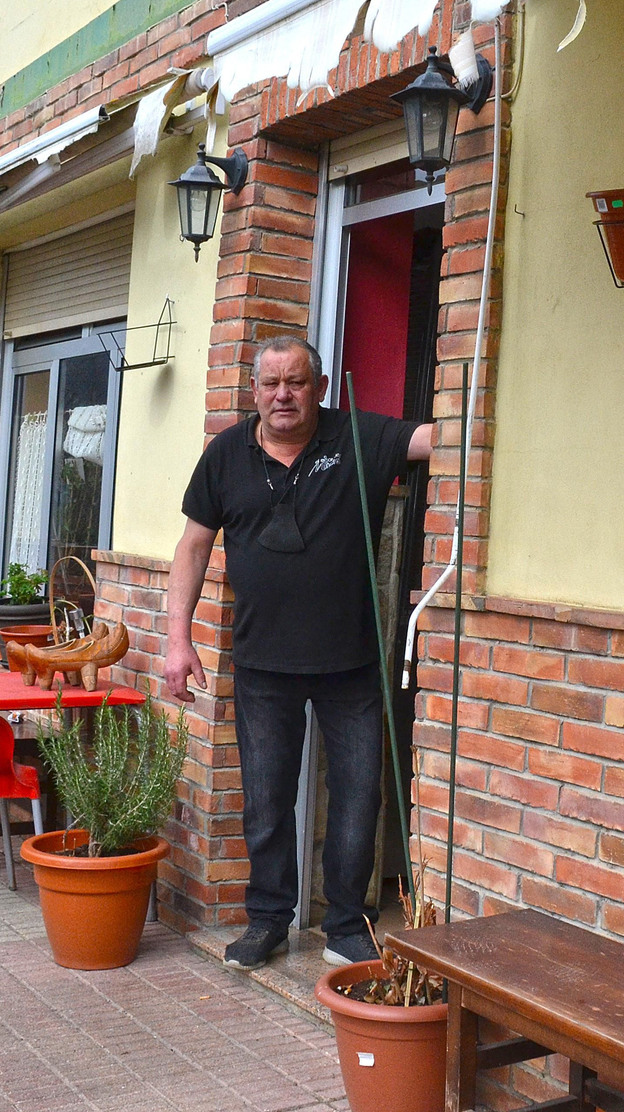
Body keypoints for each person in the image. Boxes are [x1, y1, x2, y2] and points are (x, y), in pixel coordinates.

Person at [166, 335, 431, 970]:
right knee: (265, 799)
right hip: (261, 664)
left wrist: (473, 399)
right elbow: (193, 547)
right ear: (254, 392)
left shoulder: (356, 438)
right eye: (271, 383)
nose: (283, 394)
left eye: (297, 382)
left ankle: (346, 923)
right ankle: (267, 922)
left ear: (319, 387)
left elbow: (432, 440)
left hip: (352, 662)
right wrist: (178, 639)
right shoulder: (226, 454)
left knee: (358, 797)